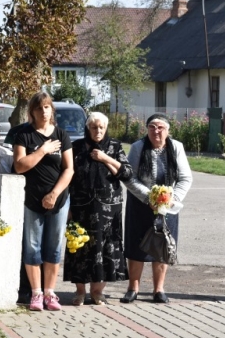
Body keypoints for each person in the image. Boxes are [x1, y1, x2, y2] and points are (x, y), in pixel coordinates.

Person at [122, 113, 192, 304]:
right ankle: (133, 288)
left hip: (167, 206)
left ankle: (158, 289)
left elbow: (185, 178)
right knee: (136, 245)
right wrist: (149, 197)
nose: (156, 131)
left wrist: (171, 198)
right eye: (152, 127)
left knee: (163, 245)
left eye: (160, 127)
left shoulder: (176, 147)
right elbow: (129, 177)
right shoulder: (138, 147)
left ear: (168, 130)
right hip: (140, 203)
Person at [13, 91, 74, 312]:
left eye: (47, 107)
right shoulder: (24, 135)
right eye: (39, 108)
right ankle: (36, 293)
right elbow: (19, 166)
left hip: (58, 200)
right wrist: (43, 150)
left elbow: (69, 169)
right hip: (32, 200)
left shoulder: (61, 135)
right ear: (32, 112)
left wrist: (55, 194)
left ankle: (50, 293)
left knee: (54, 247)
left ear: (52, 110)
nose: (44, 111)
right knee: (33, 247)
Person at [63, 112, 131, 306]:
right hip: (80, 207)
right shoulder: (76, 147)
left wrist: (105, 158)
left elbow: (126, 173)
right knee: (80, 248)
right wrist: (67, 207)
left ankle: (97, 292)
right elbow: (67, 176)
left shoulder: (114, 147)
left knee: (105, 248)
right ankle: (79, 292)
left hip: (108, 209)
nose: (98, 131)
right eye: (94, 127)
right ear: (87, 128)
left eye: (101, 127)